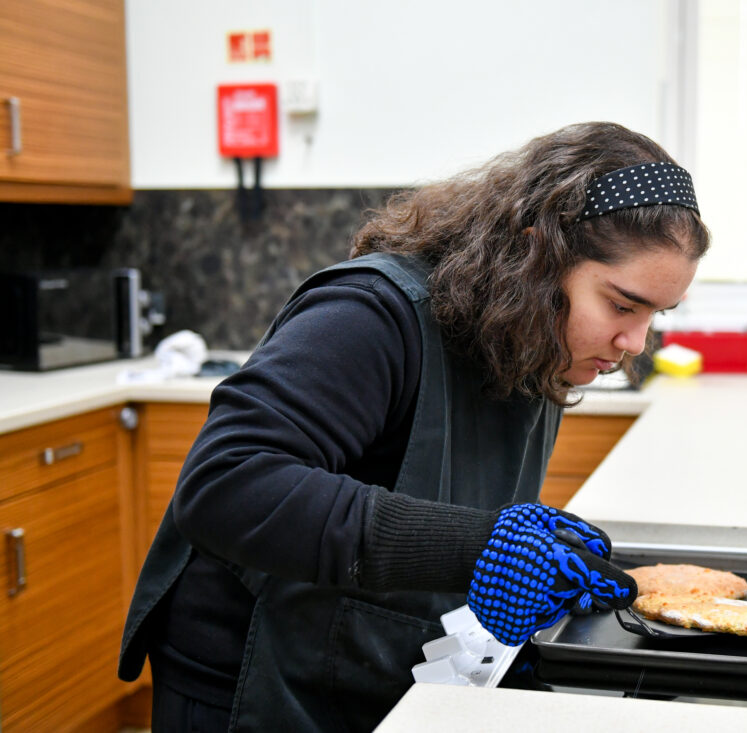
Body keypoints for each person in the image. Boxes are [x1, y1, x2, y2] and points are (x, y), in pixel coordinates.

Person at [118, 121, 710, 731]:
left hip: (363, 666)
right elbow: (227, 485)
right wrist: (478, 547)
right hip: (248, 678)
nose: (634, 343)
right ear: (537, 257)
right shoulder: (370, 315)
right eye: (621, 304)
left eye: (654, 315)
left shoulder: (536, 340)